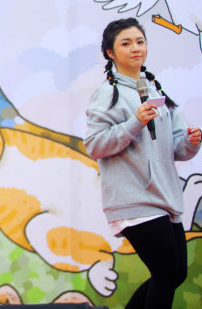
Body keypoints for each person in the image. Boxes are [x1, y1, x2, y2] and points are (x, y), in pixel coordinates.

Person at [84, 17, 201, 309]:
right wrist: (134, 122)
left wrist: (191, 142)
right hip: (134, 199)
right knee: (166, 273)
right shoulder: (107, 94)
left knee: (175, 274)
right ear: (110, 52)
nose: (136, 48)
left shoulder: (155, 91)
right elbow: (95, 145)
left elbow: (177, 147)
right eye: (126, 43)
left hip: (165, 196)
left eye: (140, 41)